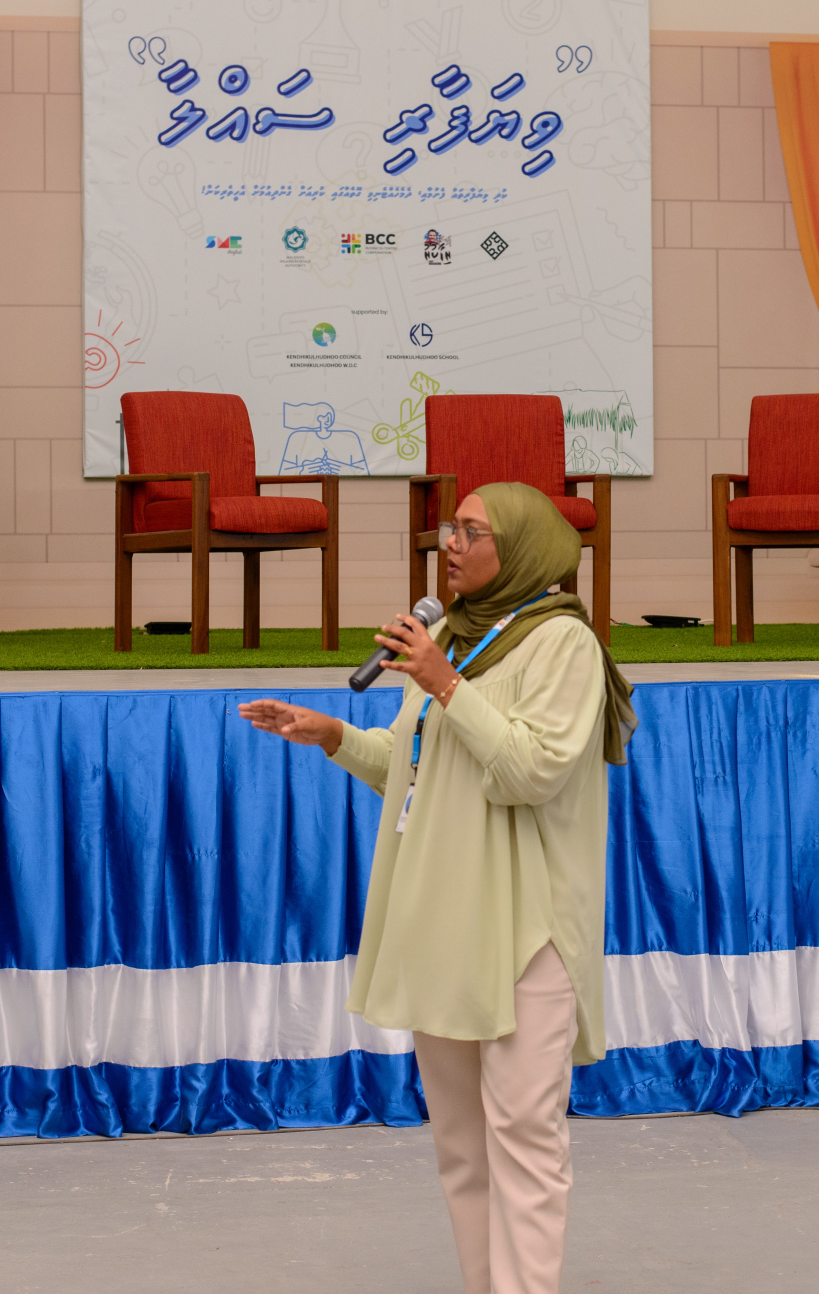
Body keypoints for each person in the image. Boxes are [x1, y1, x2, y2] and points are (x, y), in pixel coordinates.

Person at [239, 481, 635, 1294]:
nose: (449, 543)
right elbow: (415, 763)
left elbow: (531, 771)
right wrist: (333, 735)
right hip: (446, 917)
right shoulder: (449, 636)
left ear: (518, 547)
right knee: (461, 1142)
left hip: (526, 925)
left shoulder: (561, 644)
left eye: (470, 531)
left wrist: (445, 682)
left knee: (523, 1132)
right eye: (449, 528)